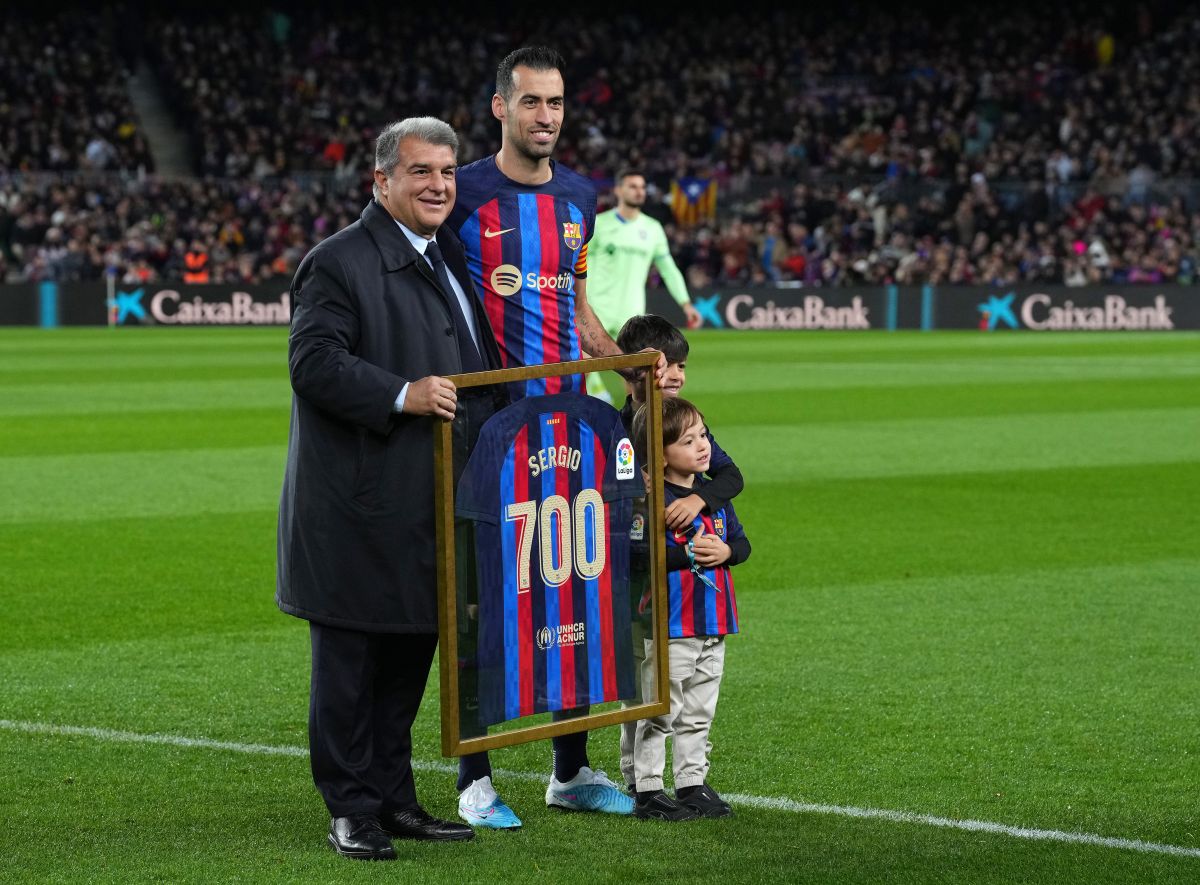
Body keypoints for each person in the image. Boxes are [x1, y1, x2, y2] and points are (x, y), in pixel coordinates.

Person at [276, 117, 503, 861]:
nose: (439, 184)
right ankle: (349, 807)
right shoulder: (338, 262)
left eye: (447, 172)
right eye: (420, 172)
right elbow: (313, 364)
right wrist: (403, 393)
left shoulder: (448, 255)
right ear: (381, 182)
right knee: (351, 666)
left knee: (409, 656)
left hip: (433, 502)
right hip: (357, 508)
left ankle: (394, 797)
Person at [447, 45, 652, 829]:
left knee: (570, 586)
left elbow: (573, 303)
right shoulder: (460, 192)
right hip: (488, 429)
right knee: (485, 599)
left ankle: (570, 769)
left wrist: (624, 367)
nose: (546, 117)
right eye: (531, 102)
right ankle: (475, 776)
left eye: (557, 103)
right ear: (499, 106)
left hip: (572, 426)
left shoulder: (579, 196)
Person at [612, 314, 743, 794]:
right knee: (647, 694)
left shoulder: (685, 421)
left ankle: (687, 782)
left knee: (690, 700)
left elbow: (732, 478)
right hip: (637, 584)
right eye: (665, 366)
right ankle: (640, 781)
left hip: (688, 598)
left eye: (681, 366)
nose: (676, 377)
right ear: (632, 370)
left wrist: (697, 499)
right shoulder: (615, 427)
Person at [629, 396, 751, 821]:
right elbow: (639, 558)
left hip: (713, 620)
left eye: (703, 435)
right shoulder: (650, 503)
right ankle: (646, 788)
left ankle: (691, 782)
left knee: (699, 711)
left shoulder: (710, 496)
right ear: (659, 457)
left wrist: (726, 552)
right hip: (670, 623)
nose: (703, 446)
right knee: (659, 708)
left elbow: (742, 544)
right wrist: (695, 556)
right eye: (688, 440)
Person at [584, 170, 700, 401]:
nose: (639, 191)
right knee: (584, 366)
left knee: (637, 379)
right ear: (618, 190)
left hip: (633, 313)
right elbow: (579, 263)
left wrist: (686, 304)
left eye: (642, 187)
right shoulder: (599, 224)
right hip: (598, 309)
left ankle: (634, 426)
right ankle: (593, 402)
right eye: (633, 186)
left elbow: (668, 268)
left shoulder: (653, 228)